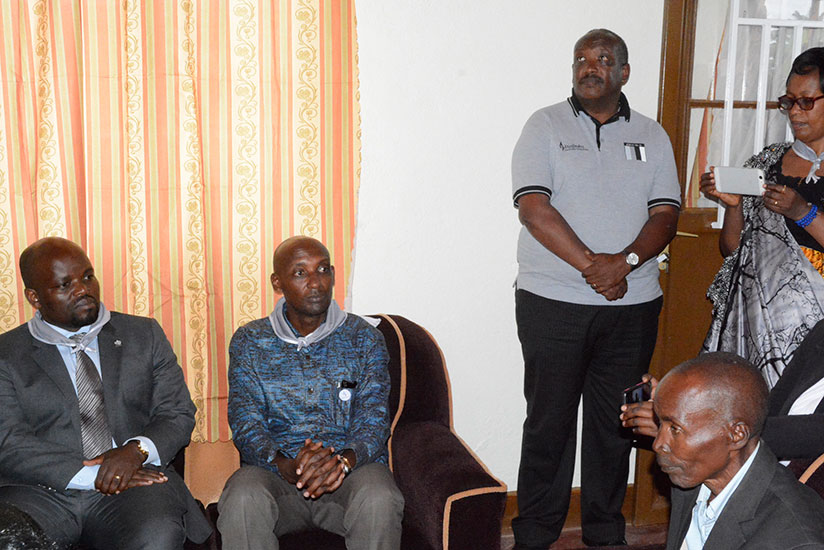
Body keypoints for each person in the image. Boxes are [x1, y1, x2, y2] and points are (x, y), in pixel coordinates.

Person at [510, 28, 681, 549]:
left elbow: (667, 214)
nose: (590, 67)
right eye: (581, 59)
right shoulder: (544, 126)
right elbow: (533, 208)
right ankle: (536, 532)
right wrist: (595, 268)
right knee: (549, 422)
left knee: (618, 422)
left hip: (631, 308)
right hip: (552, 303)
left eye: (603, 60)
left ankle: (605, 532)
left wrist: (625, 264)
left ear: (623, 73)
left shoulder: (652, 136)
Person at [0, 237, 211, 549]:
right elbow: (8, 442)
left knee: (157, 535)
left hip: (134, 485)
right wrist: (98, 474)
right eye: (65, 284)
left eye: (88, 276)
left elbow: (177, 413)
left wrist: (135, 452)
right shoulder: (7, 353)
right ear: (34, 297)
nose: (84, 290)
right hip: (39, 492)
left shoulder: (143, 335)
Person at [216, 236, 404, 550]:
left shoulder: (364, 338)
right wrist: (282, 463)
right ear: (278, 282)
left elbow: (374, 420)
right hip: (277, 477)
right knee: (242, 496)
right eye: (301, 273)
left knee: (380, 496)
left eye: (323, 270)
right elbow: (245, 420)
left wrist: (342, 462)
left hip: (350, 473)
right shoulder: (250, 341)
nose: (316, 283)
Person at [701, 47, 824, 388]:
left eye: (807, 102)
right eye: (789, 102)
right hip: (758, 326)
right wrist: (733, 205)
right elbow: (733, 251)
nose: (795, 112)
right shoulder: (768, 162)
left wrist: (804, 212)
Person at [651, 352, 824, 549]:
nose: (658, 444)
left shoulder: (797, 541)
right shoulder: (692, 478)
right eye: (660, 424)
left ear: (737, 435)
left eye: (675, 429)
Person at [622, 316, 824, 462]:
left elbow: (812, 435)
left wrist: (689, 428)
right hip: (769, 466)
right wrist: (682, 408)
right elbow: (769, 407)